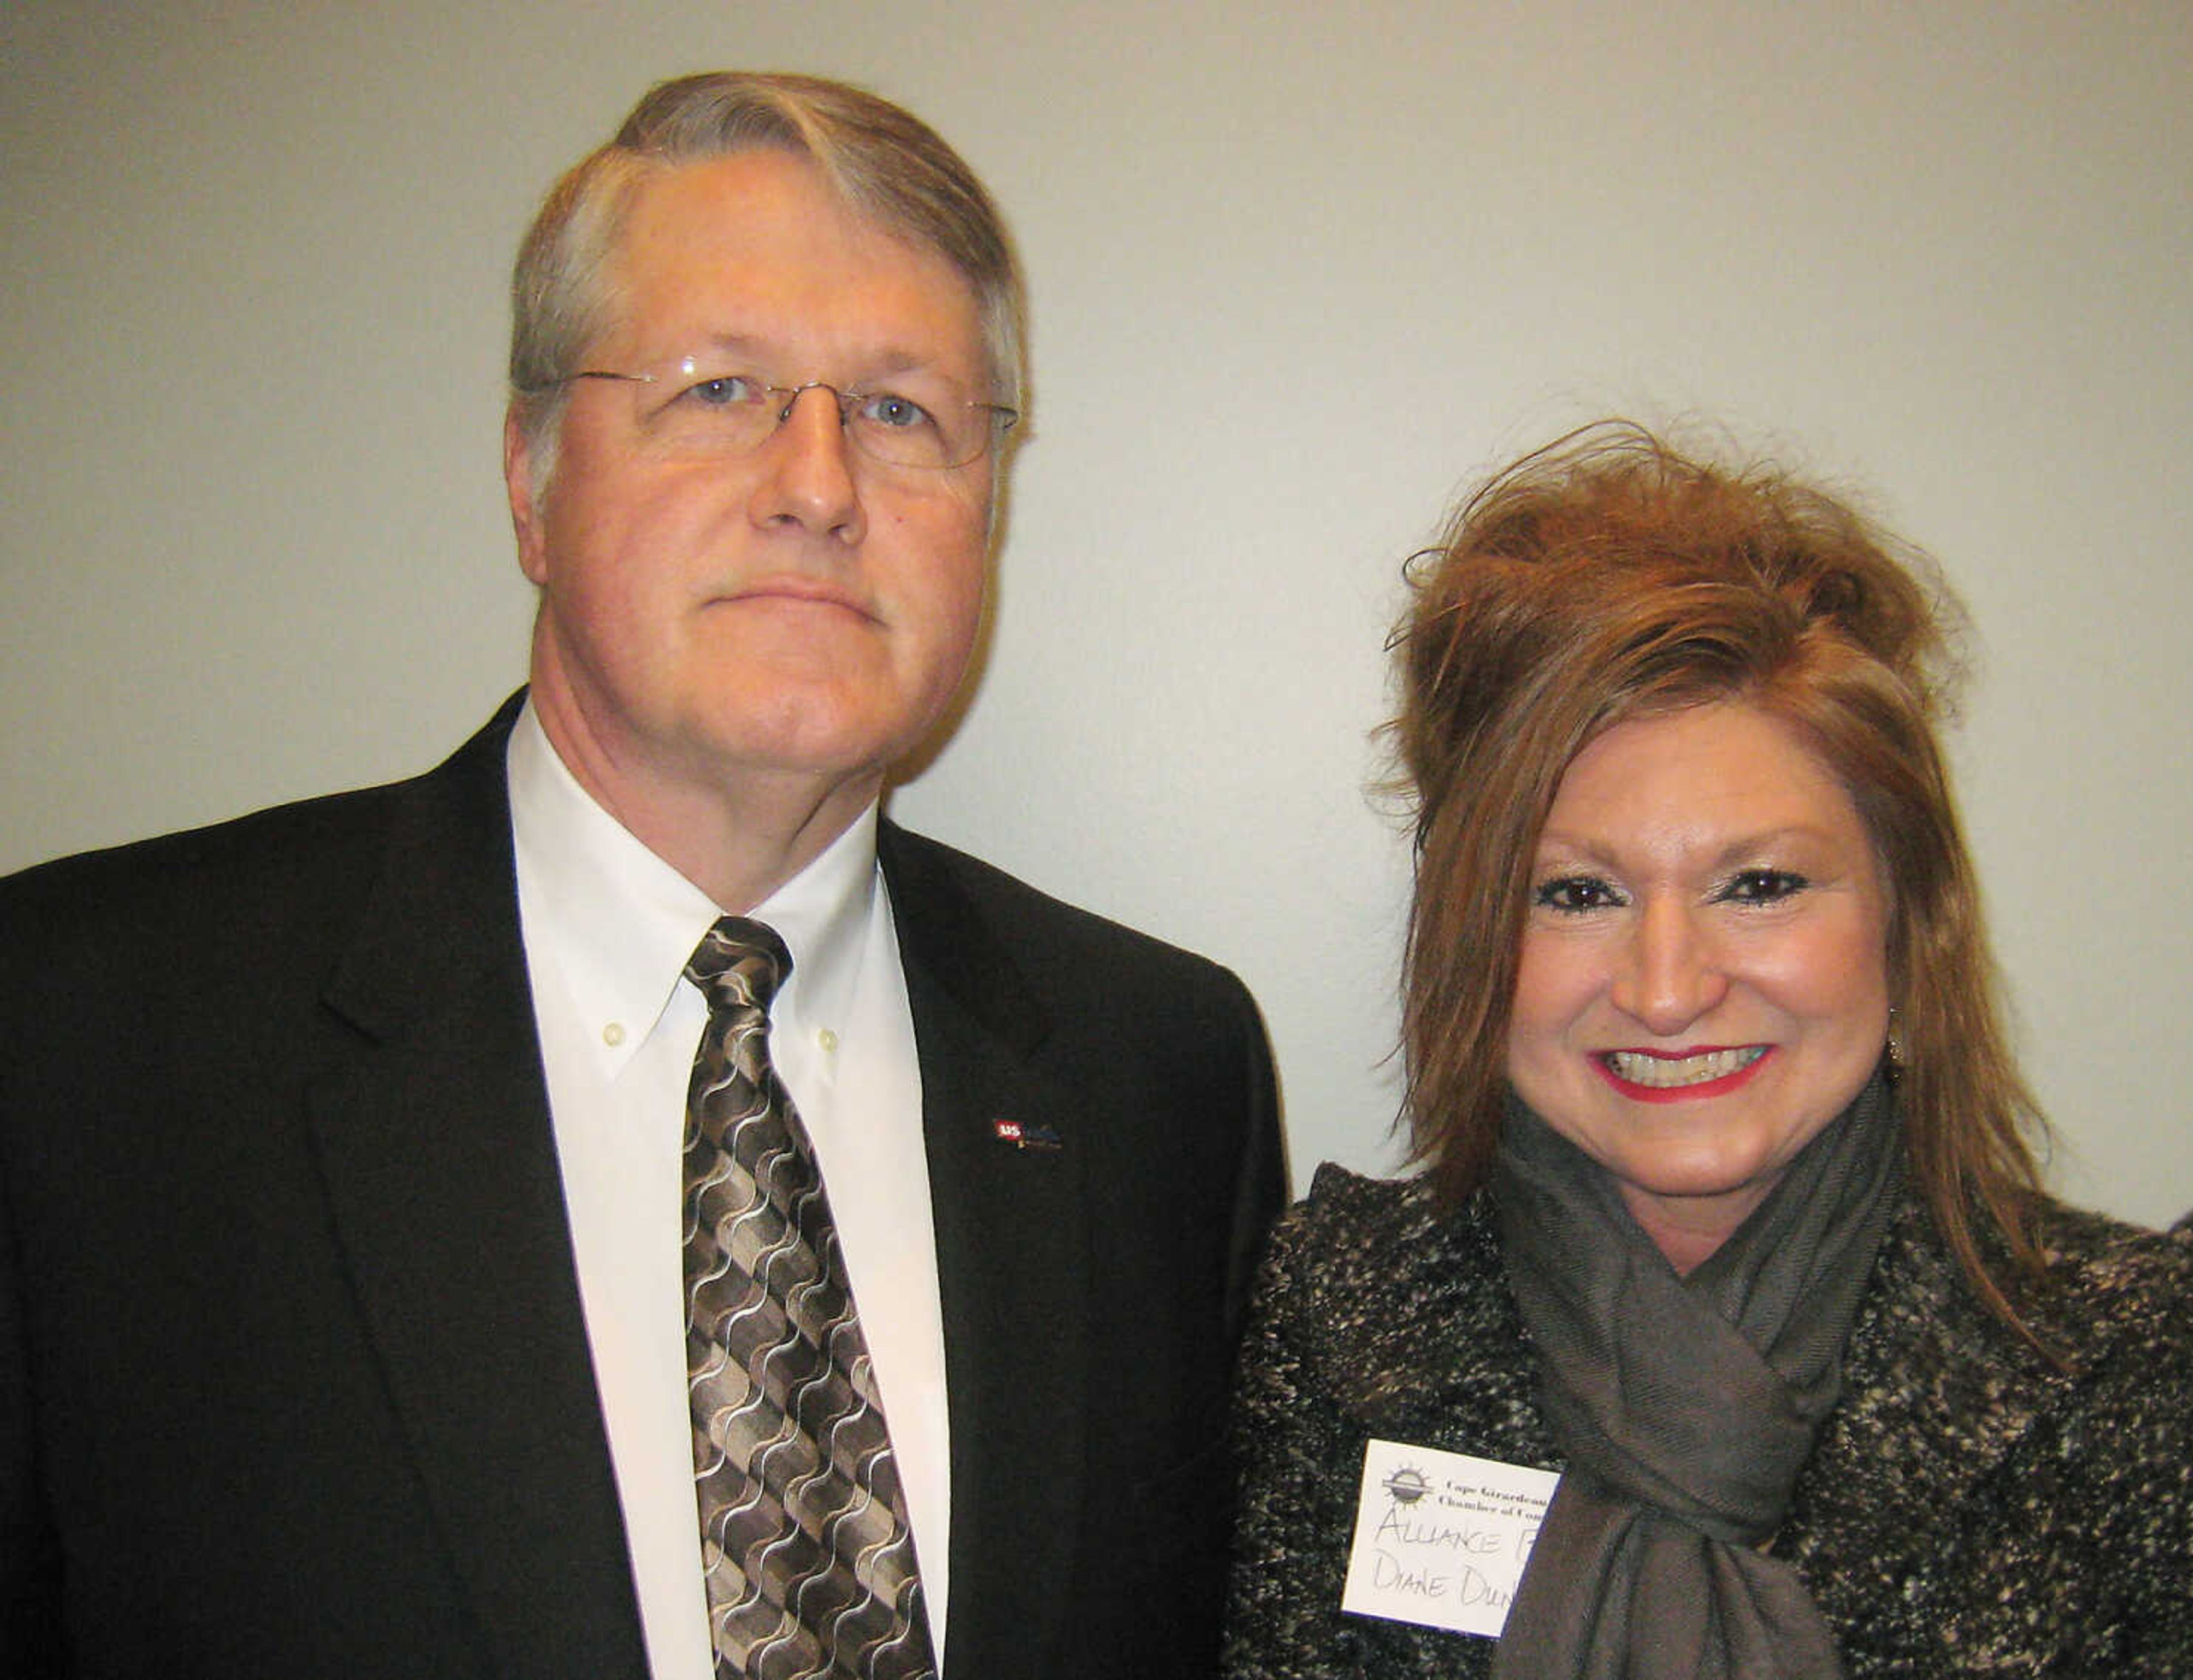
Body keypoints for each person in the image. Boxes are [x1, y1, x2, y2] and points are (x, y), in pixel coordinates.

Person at [0, 72, 1281, 1680]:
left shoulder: (1163, 1075)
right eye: (721, 387)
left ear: (990, 503)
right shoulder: (76, 1040)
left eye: (901, 410)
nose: (820, 484)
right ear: (533, 476)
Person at [1220, 422, 2193, 1677]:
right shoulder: (1339, 1317)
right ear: (1474, 939)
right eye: (1577, 893)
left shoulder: (2136, 1355)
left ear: (1910, 920)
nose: (1667, 988)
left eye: (1759, 883)